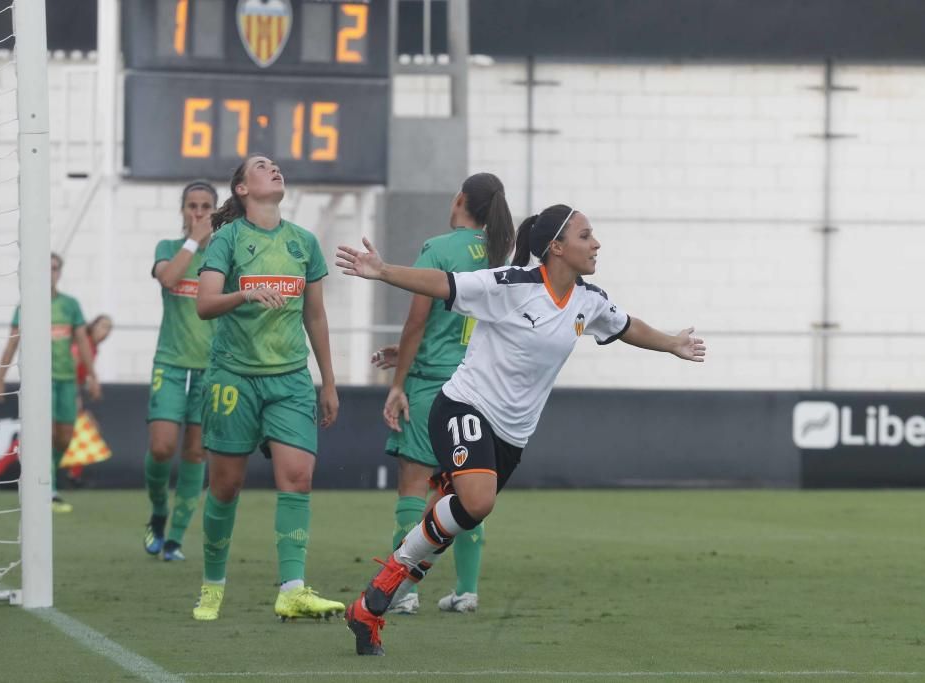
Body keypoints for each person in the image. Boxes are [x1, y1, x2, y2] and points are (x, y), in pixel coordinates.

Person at [336, 204, 707, 655]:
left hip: (511, 437)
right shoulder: (511, 286)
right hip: (463, 406)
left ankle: (370, 605)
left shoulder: (588, 300)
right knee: (477, 501)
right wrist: (382, 271)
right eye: (586, 235)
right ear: (556, 247)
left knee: (451, 519)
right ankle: (386, 591)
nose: (596, 244)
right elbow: (444, 285)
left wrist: (672, 344)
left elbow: (626, 326)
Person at [191, 155, 344, 622]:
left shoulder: (304, 242)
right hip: (233, 378)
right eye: (261, 166)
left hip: (291, 378)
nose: (274, 169)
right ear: (241, 188)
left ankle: (292, 589)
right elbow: (204, 305)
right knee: (225, 486)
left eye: (275, 165)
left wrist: (329, 382)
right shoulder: (228, 240)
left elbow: (315, 315)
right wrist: (244, 293)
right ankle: (213, 586)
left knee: (298, 476)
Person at [369, 172, 514, 615]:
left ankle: (404, 592)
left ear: (459, 201)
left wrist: (398, 383)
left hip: (434, 384)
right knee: (466, 489)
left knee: (414, 486)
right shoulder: (502, 257)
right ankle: (466, 590)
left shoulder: (438, 248)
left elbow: (418, 321)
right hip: (481, 388)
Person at [0, 252, 102, 513]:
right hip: (39, 381)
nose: (50, 273)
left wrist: (92, 376)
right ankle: (47, 490)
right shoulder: (27, 305)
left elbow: (83, 341)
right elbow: (12, 343)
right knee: (46, 434)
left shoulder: (70, 305)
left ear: (59, 272)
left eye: (54, 268)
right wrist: (0, 378)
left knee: (64, 438)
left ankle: (42, 480)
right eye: (46, 268)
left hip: (67, 380)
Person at [143, 180, 217, 562]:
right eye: (192, 205)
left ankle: (174, 538)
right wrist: (193, 241)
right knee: (161, 447)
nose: (199, 213)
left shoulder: (223, 256)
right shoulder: (169, 250)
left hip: (209, 370)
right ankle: (157, 513)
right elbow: (169, 278)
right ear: (183, 210)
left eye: (206, 206)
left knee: (195, 452)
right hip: (170, 364)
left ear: (216, 212)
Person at [66, 314, 114, 485]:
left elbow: (80, 373)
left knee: (86, 429)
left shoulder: (93, 348)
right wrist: (74, 395)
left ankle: (74, 475)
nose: (105, 331)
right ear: (93, 326)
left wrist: (90, 384)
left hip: (70, 391)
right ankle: (73, 475)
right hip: (63, 392)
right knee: (85, 428)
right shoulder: (83, 344)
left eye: (108, 328)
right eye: (102, 326)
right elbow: (70, 367)